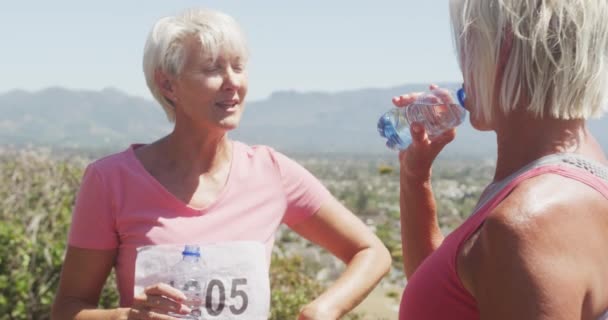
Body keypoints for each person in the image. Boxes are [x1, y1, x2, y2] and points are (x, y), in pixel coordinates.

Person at [51, 8, 391, 320]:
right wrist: (127, 318)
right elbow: (68, 308)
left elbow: (371, 251)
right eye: (213, 68)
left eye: (238, 67)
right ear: (168, 84)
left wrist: (324, 309)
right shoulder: (110, 180)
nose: (233, 82)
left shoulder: (272, 171)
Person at [396, 0, 608, 319]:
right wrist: (415, 177)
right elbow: (449, 294)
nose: (462, 63)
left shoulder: (529, 222)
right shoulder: (568, 176)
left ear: (503, 47)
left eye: (469, 42)